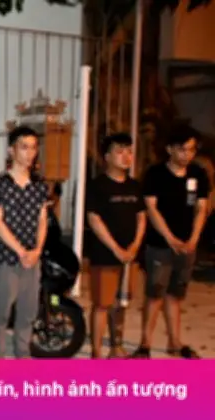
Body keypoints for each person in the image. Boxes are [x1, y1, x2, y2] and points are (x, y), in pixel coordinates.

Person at [132, 125, 210, 359]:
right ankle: (145, 344)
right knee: (155, 293)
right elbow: (151, 208)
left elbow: (202, 208)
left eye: (192, 150)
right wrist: (170, 238)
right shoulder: (155, 174)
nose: (187, 154)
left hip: (187, 245)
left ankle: (175, 342)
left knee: (176, 294)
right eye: (182, 149)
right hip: (160, 245)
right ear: (169, 149)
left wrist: (194, 238)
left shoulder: (198, 174)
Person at [0, 125, 50, 359]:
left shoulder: (40, 184)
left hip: (33, 258)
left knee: (28, 312)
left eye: (33, 147)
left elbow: (42, 220)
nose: (30, 153)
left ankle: (23, 355)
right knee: (1, 312)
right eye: (24, 147)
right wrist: (22, 251)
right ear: (12, 150)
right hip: (7, 258)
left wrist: (37, 250)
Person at [85, 133, 146, 359]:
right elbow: (94, 219)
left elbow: (141, 217)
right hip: (105, 255)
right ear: (107, 157)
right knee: (102, 303)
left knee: (122, 303)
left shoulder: (135, 186)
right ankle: (96, 352)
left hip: (130, 256)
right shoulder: (97, 186)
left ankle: (116, 347)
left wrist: (134, 246)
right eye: (120, 152)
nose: (126, 156)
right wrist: (116, 249)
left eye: (129, 151)